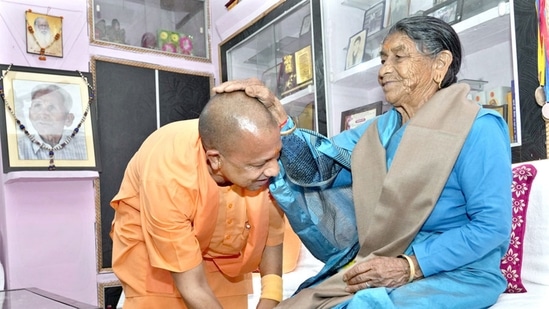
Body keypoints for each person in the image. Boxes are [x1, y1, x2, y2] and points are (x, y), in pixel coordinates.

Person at [214, 15, 512, 308]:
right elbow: (318, 167)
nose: (384, 71)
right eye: (383, 60)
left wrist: (410, 265)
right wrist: (278, 117)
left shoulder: (479, 128)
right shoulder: (378, 132)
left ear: (440, 64)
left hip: (458, 272)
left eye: (399, 57)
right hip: (380, 262)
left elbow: (490, 227)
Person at [110, 90, 289, 309]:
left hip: (227, 265)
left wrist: (271, 298)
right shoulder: (168, 175)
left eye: (276, 156)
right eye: (258, 164)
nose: (273, 170)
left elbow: (270, 229)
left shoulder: (257, 151)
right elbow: (192, 286)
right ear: (215, 160)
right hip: (159, 267)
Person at [17, 84, 88, 160]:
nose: (43, 114)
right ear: (29, 113)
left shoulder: (85, 145)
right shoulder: (17, 148)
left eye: (52, 107)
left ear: (68, 119)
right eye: (37, 105)